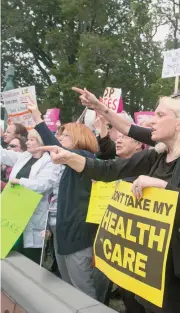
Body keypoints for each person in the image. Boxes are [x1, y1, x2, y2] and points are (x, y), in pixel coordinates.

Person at [37, 95, 180, 313]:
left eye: (160, 115)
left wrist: (163, 188)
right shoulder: (156, 155)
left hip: (179, 265)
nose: (152, 120)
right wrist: (68, 157)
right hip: (149, 260)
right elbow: (108, 170)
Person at [28, 105, 103, 300]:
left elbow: (55, 147)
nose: (59, 140)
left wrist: (37, 118)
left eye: (64, 136)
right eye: (59, 136)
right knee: (68, 288)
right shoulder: (66, 164)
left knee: (83, 291)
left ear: (79, 138)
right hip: (64, 234)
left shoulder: (85, 158)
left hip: (78, 237)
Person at [1, 129, 60, 264]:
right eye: (28, 139)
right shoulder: (24, 157)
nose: (27, 142)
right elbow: (3, 154)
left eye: (31, 139)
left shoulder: (50, 162)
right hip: (13, 215)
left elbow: (43, 185)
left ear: (41, 142)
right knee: (10, 256)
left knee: (30, 260)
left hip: (33, 217)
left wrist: (20, 182)